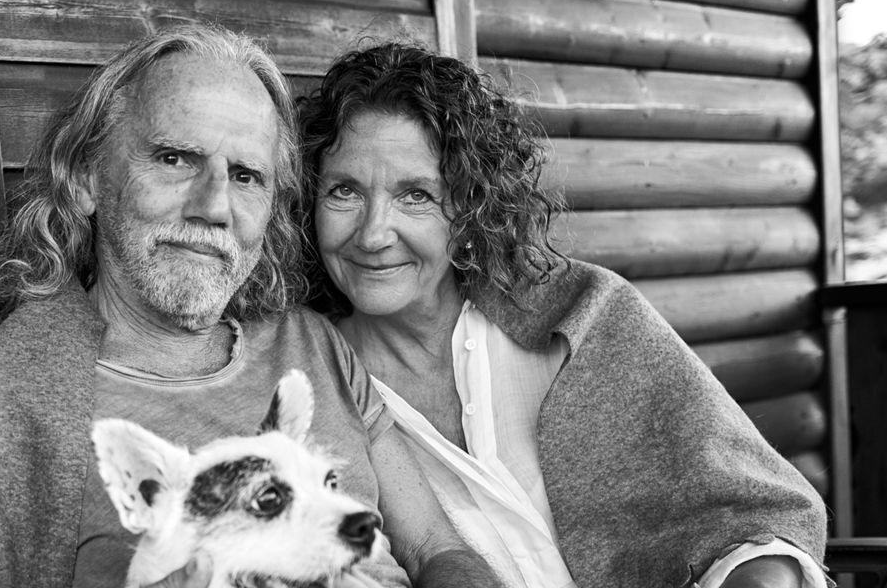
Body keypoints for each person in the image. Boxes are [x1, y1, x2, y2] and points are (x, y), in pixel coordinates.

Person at [0, 26, 490, 588]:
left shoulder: (310, 344)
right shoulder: (6, 399)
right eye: (175, 158)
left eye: (246, 176)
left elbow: (436, 547)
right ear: (87, 178)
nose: (214, 207)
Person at [295, 42, 830, 588]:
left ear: (471, 205)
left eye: (415, 195)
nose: (373, 234)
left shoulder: (584, 317)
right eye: (344, 191)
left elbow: (755, 514)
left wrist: (763, 572)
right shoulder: (309, 379)